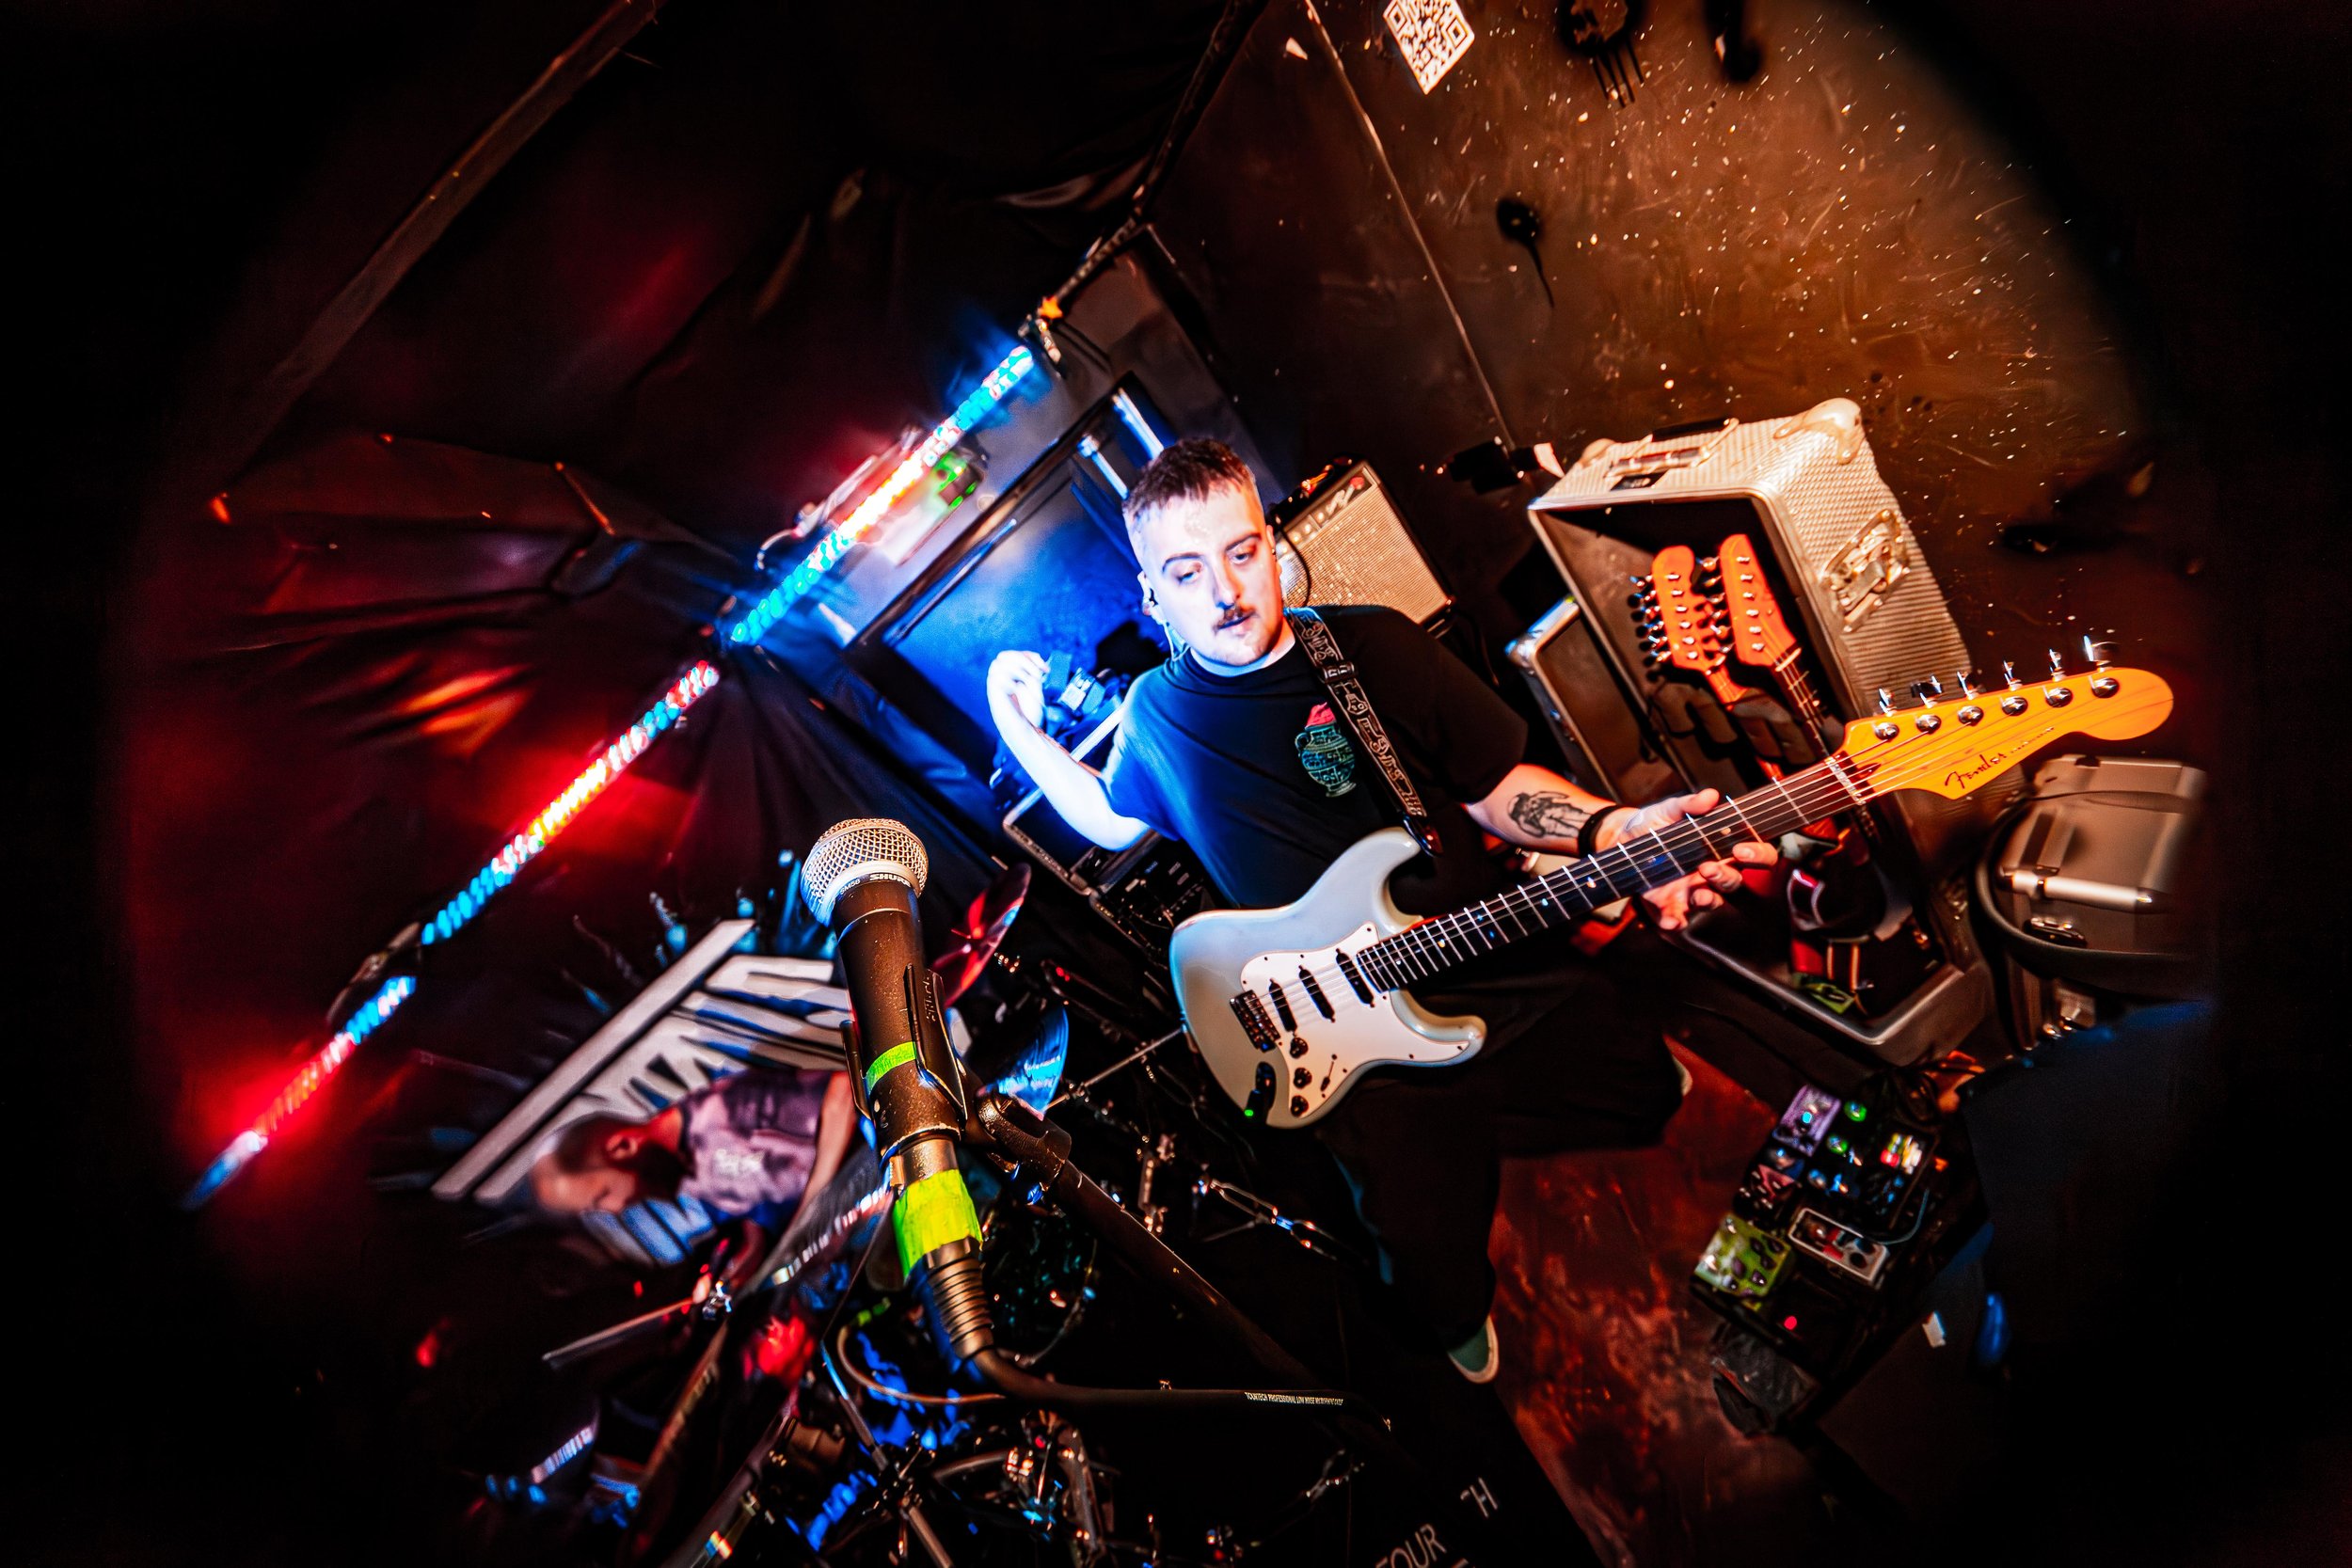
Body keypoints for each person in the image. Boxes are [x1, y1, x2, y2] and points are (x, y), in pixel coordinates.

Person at [985, 438, 1775, 1382]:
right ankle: (1456, 1316)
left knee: (1641, 1079)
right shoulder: (1156, 714)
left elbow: (1497, 788)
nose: (1226, 592)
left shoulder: (1370, 648)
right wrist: (1016, 726)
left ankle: (1585, 1097)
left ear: (1272, 548)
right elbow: (1108, 817)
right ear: (1153, 598)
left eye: (1241, 552)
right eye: (1187, 573)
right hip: (1338, 1025)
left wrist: (1616, 829)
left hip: (1480, 946)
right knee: (1423, 1252)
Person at [532, 1067, 859, 1285]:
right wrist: (750, 1251)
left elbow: (842, 1090)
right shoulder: (685, 1180)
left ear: (623, 1146)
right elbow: (757, 1198)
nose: (616, 1208)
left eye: (603, 1195)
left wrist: (812, 1212)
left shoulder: (721, 1108)